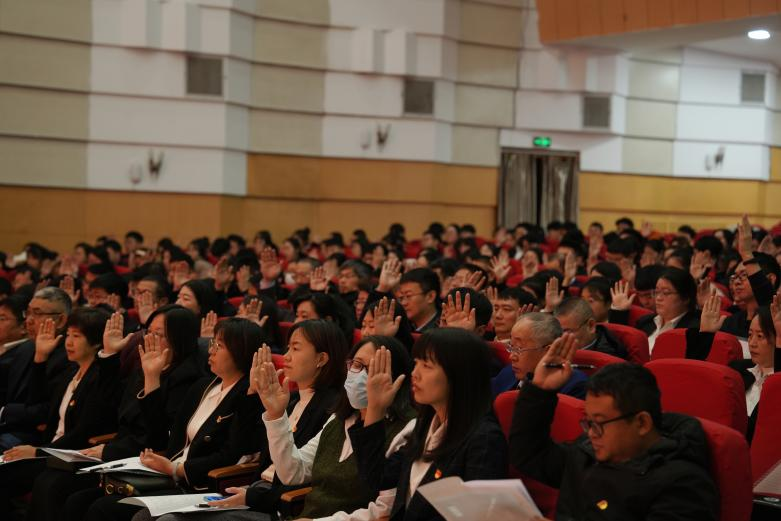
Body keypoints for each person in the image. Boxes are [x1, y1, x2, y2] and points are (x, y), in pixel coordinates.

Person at [81, 318, 266, 521]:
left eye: (219, 346)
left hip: (200, 484)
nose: (211, 350)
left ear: (240, 352)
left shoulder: (249, 397)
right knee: (85, 500)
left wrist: (177, 469)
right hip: (169, 476)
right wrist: (152, 378)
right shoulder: (203, 386)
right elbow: (159, 437)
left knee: (108, 509)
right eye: (212, 343)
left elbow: (232, 454)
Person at [511, 344, 718, 521]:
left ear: (642, 423)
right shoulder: (587, 453)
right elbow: (530, 455)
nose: (591, 433)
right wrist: (540, 390)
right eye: (589, 422)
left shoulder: (682, 485)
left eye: (600, 423)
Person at [245, 333, 413, 520]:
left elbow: (384, 511)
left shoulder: (406, 429)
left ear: (396, 379)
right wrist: (276, 415)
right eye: (356, 365)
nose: (360, 375)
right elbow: (293, 472)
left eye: (372, 369)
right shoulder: (340, 419)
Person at [349, 328, 507, 521]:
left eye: (427, 366)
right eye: (416, 363)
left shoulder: (484, 439)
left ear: (459, 374)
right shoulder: (425, 424)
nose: (414, 374)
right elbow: (376, 479)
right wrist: (375, 408)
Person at [0, 307, 121, 517]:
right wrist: (40, 358)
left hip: (73, 456)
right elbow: (37, 402)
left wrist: (39, 451)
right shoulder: (71, 373)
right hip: (51, 449)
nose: (69, 342)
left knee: (25, 478)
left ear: (95, 342)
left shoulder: (98, 379)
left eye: (77, 336)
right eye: (68, 335)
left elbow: (83, 432)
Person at [0, 287, 72, 449]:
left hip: (34, 436)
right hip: (10, 425)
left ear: (61, 320)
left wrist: (4, 412)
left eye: (37, 314)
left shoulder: (69, 355)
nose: (29, 320)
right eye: (28, 313)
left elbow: (46, 412)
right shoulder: (26, 347)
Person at [492, 312, 587, 398]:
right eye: (511, 347)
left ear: (548, 351)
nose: (511, 357)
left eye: (519, 349)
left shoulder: (575, 386)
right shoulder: (508, 373)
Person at [609, 268, 700, 354]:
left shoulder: (694, 330)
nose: (658, 298)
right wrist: (619, 311)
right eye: (656, 292)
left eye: (666, 293)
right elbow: (621, 348)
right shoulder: (645, 322)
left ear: (685, 298)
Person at [727, 303, 781, 442]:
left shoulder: (777, 381)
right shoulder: (736, 369)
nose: (752, 343)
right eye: (750, 335)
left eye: (760, 336)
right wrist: (706, 333)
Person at [555, 298, 627, 359]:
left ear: (591, 326)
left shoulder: (609, 357)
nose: (560, 339)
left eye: (567, 331)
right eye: (558, 332)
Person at [398, 268, 440, 332]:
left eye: (408, 296)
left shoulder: (442, 328)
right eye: (401, 298)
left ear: (430, 296)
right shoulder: (402, 327)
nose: (403, 303)